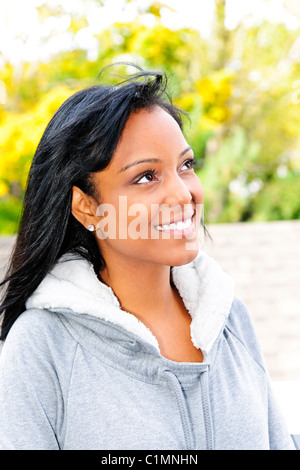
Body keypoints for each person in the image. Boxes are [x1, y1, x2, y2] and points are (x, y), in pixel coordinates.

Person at [0, 67, 295, 450]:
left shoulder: (230, 319)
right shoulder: (41, 347)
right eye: (145, 177)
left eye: (186, 166)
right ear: (87, 207)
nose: (183, 194)